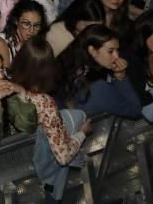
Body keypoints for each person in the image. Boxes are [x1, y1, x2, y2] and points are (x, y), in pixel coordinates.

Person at [9, 37, 90, 203]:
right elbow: (63, 156)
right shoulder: (45, 103)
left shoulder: (7, 89)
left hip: (12, 173)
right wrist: (82, 132)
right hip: (40, 178)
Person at [56, 25, 141, 119]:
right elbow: (135, 110)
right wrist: (121, 77)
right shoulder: (98, 87)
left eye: (117, 50)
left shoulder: (69, 69)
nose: (116, 56)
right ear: (92, 51)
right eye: (110, 51)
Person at [0, 0, 46, 71]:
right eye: (26, 24)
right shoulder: (1, 43)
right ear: (16, 20)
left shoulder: (37, 42)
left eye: (37, 25)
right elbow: (5, 79)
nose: (31, 30)